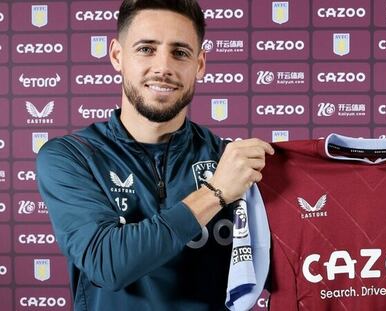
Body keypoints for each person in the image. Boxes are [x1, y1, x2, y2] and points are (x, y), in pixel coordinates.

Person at [36, 0, 273, 310]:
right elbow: (108, 263)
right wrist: (215, 193)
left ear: (199, 64)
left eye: (180, 52)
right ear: (117, 56)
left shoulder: (231, 161)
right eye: (146, 49)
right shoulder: (72, 157)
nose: (163, 68)